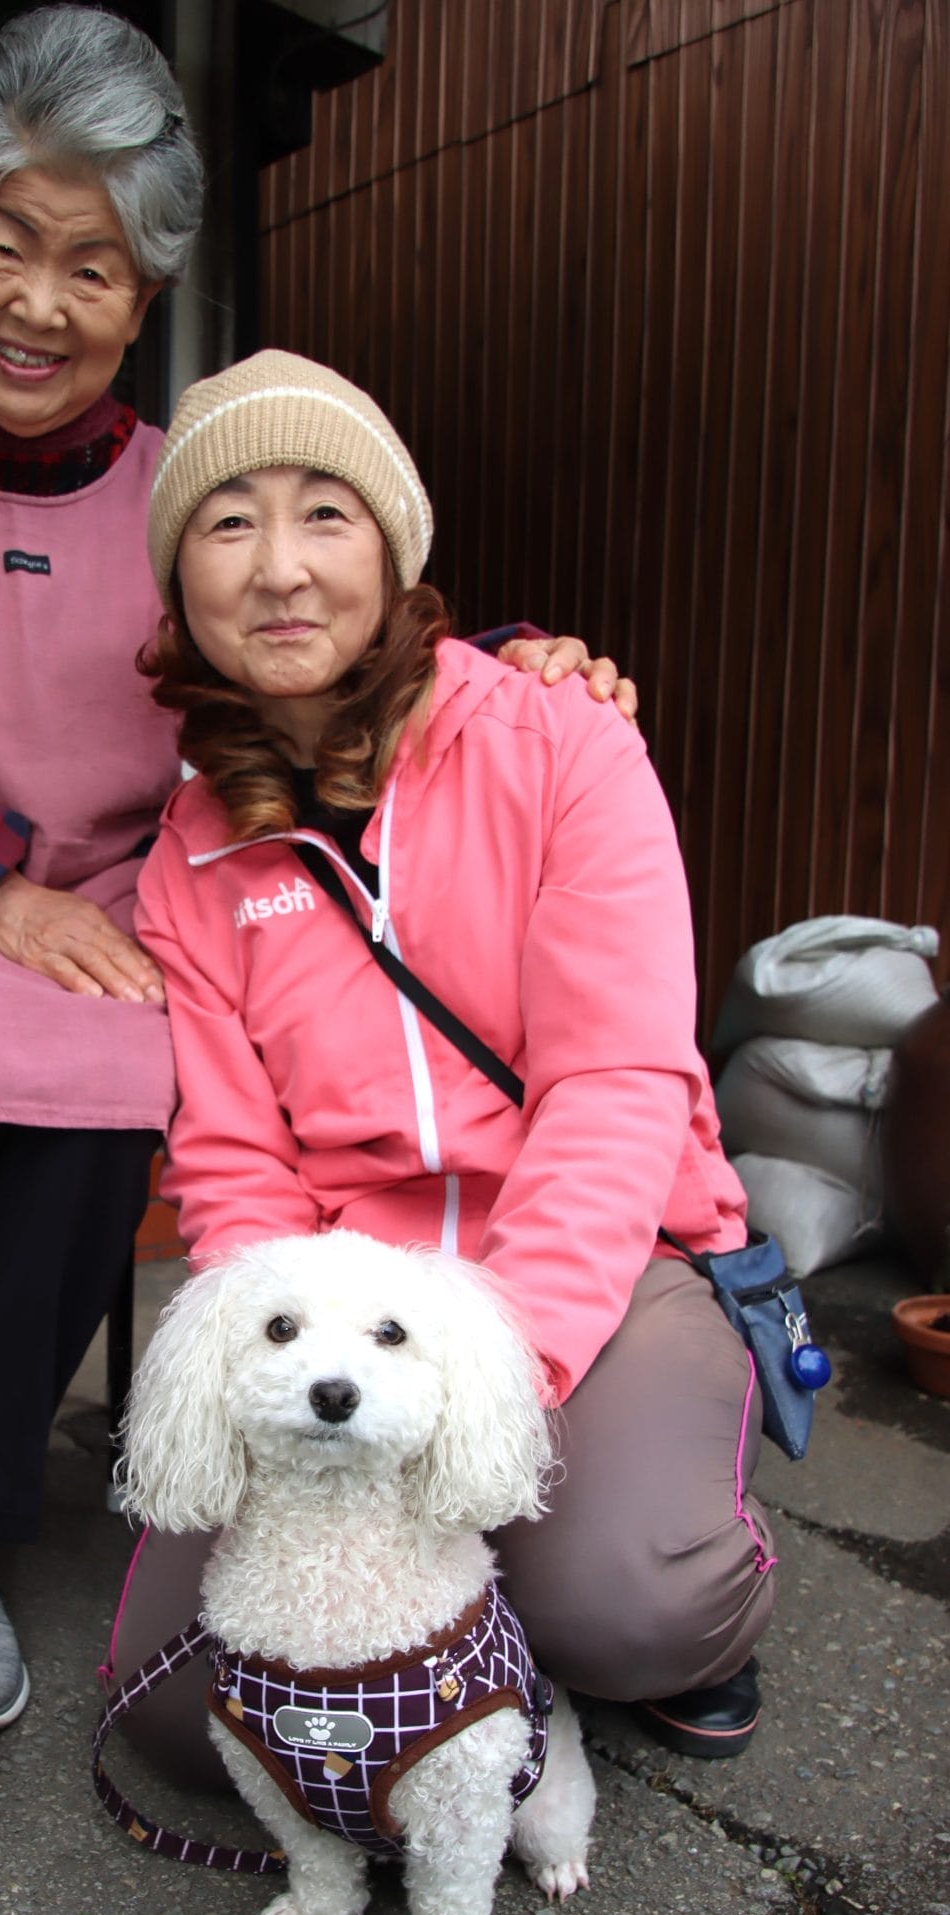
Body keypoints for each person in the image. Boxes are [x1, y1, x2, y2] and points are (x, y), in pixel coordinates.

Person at [0, 8, 635, 1733]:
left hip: (130, 912)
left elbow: (310, 637)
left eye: (93, 268)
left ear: (141, 303)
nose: (40, 305)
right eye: (7, 246)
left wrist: (520, 652)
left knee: (118, 1068)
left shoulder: (178, 494)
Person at [112, 349, 773, 1772]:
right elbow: (233, 1160)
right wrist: (287, 1358)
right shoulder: (190, 852)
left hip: (610, 1259)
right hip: (354, 1282)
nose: (279, 569)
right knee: (181, 1706)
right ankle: (481, 1623)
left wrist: (485, 1388)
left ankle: (645, 1596)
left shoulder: (560, 742)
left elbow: (613, 1088)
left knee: (626, 1608)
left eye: (324, 514)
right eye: (227, 523)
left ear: (393, 554)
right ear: (179, 582)